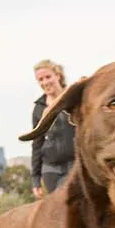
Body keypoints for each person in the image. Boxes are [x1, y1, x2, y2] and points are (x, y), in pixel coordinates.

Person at [30, 59, 76, 198]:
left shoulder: (73, 98)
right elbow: (37, 144)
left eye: (48, 77)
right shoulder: (39, 108)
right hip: (51, 169)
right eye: (40, 79)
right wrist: (36, 180)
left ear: (58, 75)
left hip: (75, 164)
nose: (45, 82)